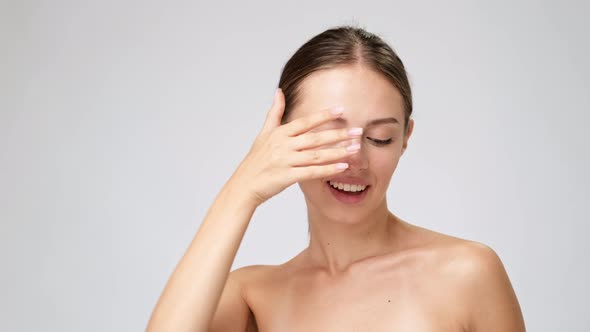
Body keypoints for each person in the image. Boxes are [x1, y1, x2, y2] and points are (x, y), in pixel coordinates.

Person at [146, 26, 526, 332]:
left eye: (380, 138)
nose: (353, 160)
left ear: (405, 139)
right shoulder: (253, 297)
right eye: (329, 135)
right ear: (280, 135)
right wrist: (241, 192)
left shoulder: (467, 273)